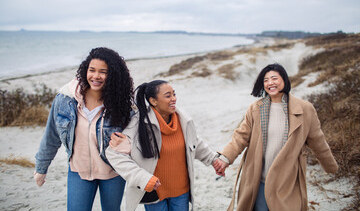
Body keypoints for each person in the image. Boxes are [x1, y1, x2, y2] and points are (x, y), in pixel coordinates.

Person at [213, 63, 338, 211]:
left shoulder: (305, 109)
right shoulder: (255, 108)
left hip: (287, 180)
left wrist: (331, 166)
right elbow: (240, 137)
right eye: (265, 80)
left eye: (274, 78)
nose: (270, 83)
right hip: (258, 179)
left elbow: (318, 141)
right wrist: (225, 158)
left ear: (284, 80)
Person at [34, 47, 134, 211]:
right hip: (78, 171)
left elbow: (136, 137)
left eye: (103, 72)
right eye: (92, 70)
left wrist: (128, 144)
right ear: (85, 71)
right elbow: (51, 136)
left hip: (113, 172)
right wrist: (41, 168)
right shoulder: (65, 100)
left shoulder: (122, 105)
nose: (96, 76)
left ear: (113, 75)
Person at [105, 80, 223, 211]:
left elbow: (195, 143)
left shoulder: (183, 120)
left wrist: (213, 159)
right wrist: (142, 178)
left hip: (181, 191)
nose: (174, 99)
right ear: (153, 101)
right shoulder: (139, 123)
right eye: (168, 96)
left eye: (174, 94)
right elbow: (113, 154)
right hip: (154, 192)